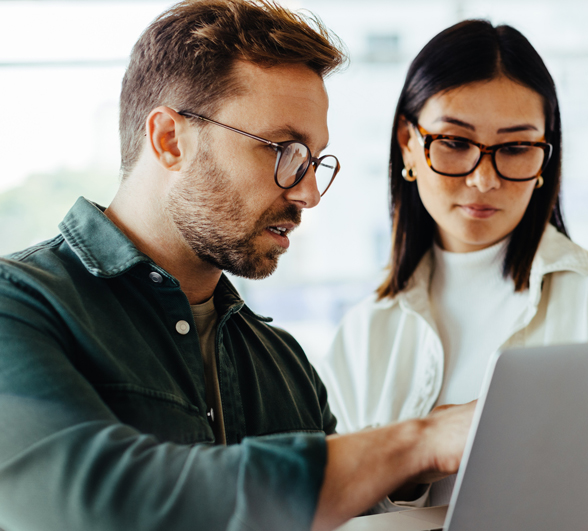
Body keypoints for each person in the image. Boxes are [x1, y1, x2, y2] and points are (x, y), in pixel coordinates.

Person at [0, 2, 475, 531]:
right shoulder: (17, 307)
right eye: (285, 151)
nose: (310, 193)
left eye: (315, 160)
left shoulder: (285, 363)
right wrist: (418, 443)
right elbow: (98, 502)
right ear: (169, 140)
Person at [319, 20, 588, 509]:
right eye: (455, 143)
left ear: (546, 156)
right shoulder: (363, 334)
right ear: (407, 142)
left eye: (516, 147)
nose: (483, 180)